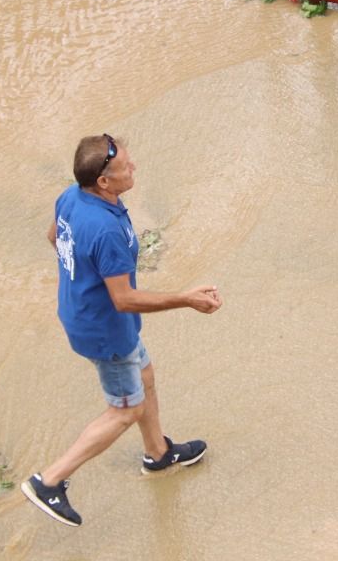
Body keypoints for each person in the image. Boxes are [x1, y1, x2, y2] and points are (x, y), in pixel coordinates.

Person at [21, 132, 222, 527]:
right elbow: (124, 299)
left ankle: (158, 453)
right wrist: (186, 298)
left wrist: (84, 282)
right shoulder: (107, 233)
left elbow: (53, 238)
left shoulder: (71, 197)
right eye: (126, 167)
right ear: (104, 182)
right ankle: (49, 481)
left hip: (88, 314)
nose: (135, 168)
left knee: (144, 373)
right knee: (124, 410)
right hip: (105, 330)